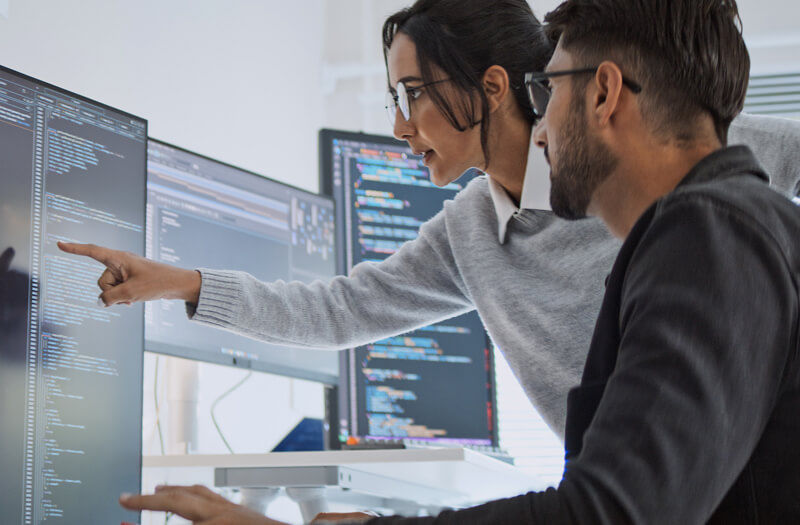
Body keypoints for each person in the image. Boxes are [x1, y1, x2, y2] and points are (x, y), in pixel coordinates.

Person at [119, 0, 800, 522]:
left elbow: (610, 510)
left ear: (602, 96)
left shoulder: (703, 207)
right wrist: (188, 286)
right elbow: (343, 307)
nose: (399, 124)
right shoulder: (475, 230)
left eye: (412, 93)